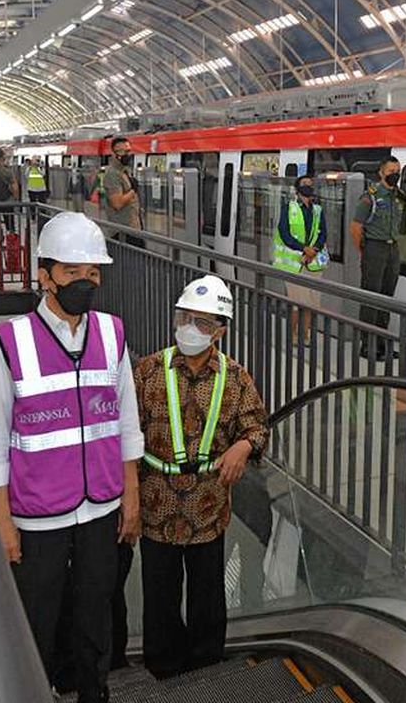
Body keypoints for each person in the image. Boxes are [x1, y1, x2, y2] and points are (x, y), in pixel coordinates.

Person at [0, 211, 142, 703]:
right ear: (44, 275)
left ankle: (94, 695)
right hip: (37, 517)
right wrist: (2, 524)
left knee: (96, 613)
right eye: (72, 273)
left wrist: (130, 499)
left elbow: (127, 425)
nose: (85, 283)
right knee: (37, 619)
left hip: (101, 509)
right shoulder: (7, 343)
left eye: (93, 273)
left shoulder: (113, 334)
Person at [135, 275, 268, 678]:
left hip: (208, 507)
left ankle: (206, 667)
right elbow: (125, 437)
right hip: (156, 503)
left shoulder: (236, 378)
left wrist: (243, 447)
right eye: (185, 317)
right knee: (159, 593)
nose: (191, 328)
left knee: (207, 594)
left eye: (205, 323)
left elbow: (258, 427)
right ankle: (163, 666)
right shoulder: (149, 371)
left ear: (221, 332)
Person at [349, 156, 405, 360]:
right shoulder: (370, 196)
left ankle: (382, 343)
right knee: (371, 299)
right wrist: (364, 251)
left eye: (397, 170)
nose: (395, 174)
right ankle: (367, 345)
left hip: (392, 249)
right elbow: (355, 227)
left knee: (386, 299)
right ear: (381, 173)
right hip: (374, 248)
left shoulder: (398, 196)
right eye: (391, 171)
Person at [272, 175, 328, 344]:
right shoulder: (288, 207)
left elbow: (323, 232)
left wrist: (314, 250)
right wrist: (304, 249)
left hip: (313, 264)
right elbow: (284, 233)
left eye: (310, 184)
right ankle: (293, 334)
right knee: (297, 303)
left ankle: (305, 334)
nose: (308, 187)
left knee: (311, 302)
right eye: (304, 184)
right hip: (294, 264)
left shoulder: (318, 209)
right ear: (297, 190)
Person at [102, 137, 144, 248]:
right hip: (122, 231)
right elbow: (117, 203)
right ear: (114, 153)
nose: (127, 154)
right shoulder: (112, 174)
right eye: (123, 151)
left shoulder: (125, 171)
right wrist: (133, 190)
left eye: (128, 151)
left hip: (133, 228)